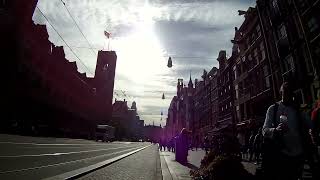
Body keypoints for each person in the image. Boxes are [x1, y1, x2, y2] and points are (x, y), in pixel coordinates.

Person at [262, 81, 312, 180]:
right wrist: (275, 130)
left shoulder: (297, 109)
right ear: (281, 93)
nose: (288, 96)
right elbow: (264, 130)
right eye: (286, 93)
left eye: (290, 93)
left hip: (299, 153)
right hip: (282, 153)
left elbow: (311, 125)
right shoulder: (273, 109)